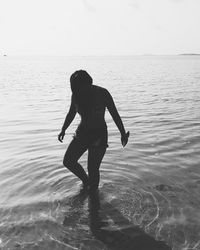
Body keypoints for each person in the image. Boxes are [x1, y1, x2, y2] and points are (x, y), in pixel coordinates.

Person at [58, 70, 129, 193]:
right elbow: (71, 113)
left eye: (81, 87)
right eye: (76, 88)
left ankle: (94, 198)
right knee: (68, 161)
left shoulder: (102, 93)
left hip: (99, 134)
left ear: (89, 83)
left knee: (93, 169)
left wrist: (122, 133)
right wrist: (63, 129)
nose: (80, 91)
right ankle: (86, 182)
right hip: (82, 133)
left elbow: (114, 114)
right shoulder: (76, 95)